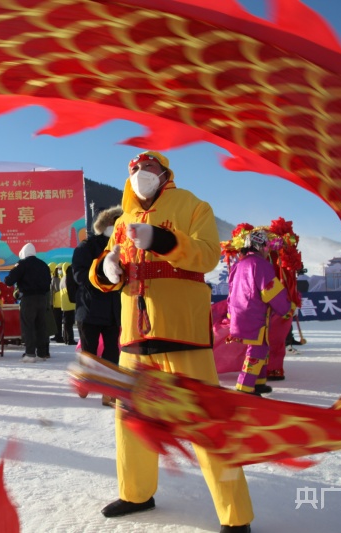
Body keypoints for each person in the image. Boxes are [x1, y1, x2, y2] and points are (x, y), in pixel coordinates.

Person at [90, 151, 253, 533]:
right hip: (134, 335)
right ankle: (136, 494)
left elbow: (208, 256)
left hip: (182, 333)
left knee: (207, 422)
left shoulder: (194, 206)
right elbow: (107, 272)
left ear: (165, 173)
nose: (139, 174)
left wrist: (162, 240)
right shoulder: (123, 221)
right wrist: (106, 269)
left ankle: (235, 515)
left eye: (147, 167)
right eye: (133, 169)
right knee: (131, 421)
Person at [227, 231, 295, 395]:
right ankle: (245, 386)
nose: (268, 250)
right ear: (261, 246)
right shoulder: (260, 264)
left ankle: (259, 382)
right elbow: (270, 291)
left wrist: (230, 313)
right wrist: (287, 308)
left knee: (262, 347)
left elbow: (231, 290)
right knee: (257, 349)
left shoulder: (239, 264)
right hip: (254, 313)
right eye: (267, 246)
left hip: (240, 311)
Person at [71, 205, 122, 406]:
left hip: (113, 310)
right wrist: (104, 273)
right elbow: (79, 275)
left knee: (112, 352)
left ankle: (108, 392)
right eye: (117, 222)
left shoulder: (123, 246)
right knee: (89, 352)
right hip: (90, 309)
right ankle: (85, 381)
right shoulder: (87, 246)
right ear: (108, 223)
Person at [4, 243, 51, 362]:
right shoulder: (43, 264)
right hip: (42, 299)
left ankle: (30, 353)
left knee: (28, 326)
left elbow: (9, 281)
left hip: (28, 299)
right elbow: (48, 283)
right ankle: (42, 353)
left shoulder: (22, 264)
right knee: (41, 326)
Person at [58, 262, 77, 345]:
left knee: (66, 323)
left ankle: (66, 338)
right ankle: (70, 339)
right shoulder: (69, 278)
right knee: (69, 323)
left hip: (64, 303)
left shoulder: (62, 278)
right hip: (70, 303)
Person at [49, 262, 64, 343]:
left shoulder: (56, 279)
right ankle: (57, 335)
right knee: (56, 321)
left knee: (58, 321)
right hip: (56, 303)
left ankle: (58, 336)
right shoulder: (54, 278)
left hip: (57, 303)